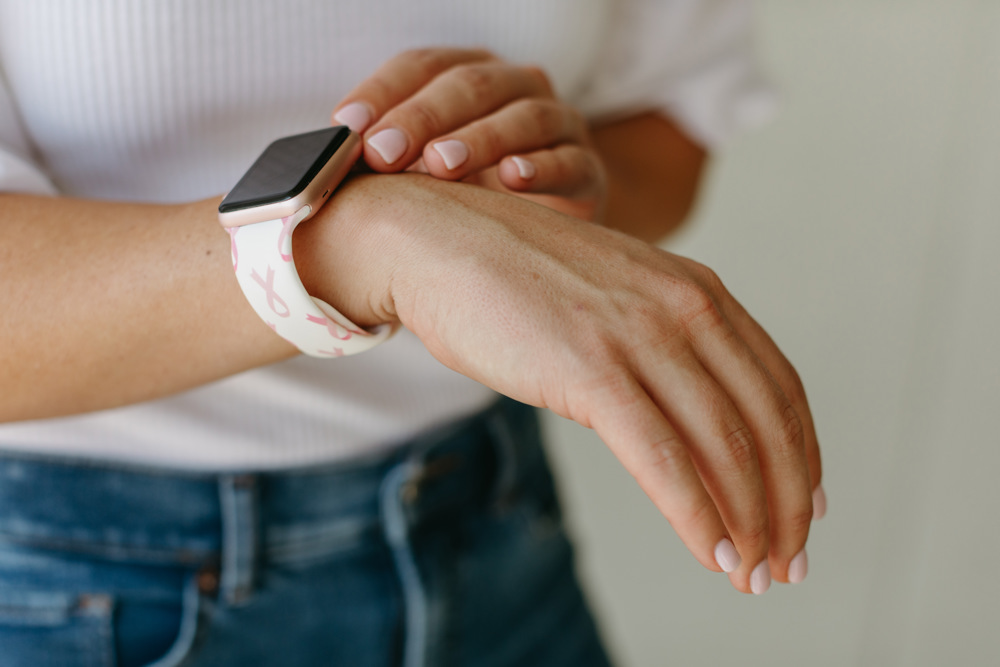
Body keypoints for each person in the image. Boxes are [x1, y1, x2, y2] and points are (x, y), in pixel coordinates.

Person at [0, 1, 824, 665]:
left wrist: (556, 184)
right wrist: (368, 245)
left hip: (494, 526)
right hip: (84, 585)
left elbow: (668, 120)